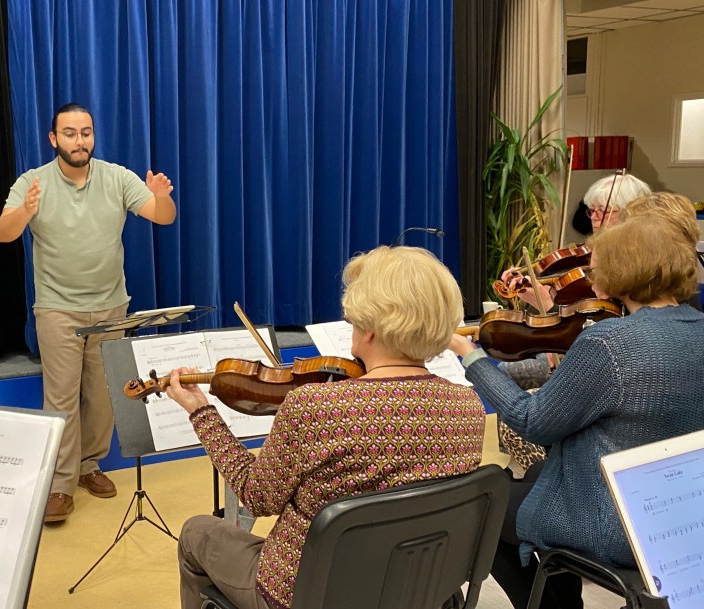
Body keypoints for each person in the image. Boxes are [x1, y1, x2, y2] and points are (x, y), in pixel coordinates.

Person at [165, 246, 487, 609]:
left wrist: (202, 413)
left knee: (197, 532)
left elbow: (257, 497)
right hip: (418, 586)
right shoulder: (468, 407)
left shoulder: (314, 406)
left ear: (370, 330)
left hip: (310, 592)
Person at [448, 217, 704, 609]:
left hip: (619, 524)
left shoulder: (609, 342)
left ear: (625, 270)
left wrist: (471, 357)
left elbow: (532, 421)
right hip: (686, 512)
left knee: (484, 500)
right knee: (534, 474)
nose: (590, 274)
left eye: (597, 266)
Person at [0, 103, 177, 523]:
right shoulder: (33, 182)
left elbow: (163, 218)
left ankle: (89, 466)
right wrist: (25, 211)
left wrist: (161, 197)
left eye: (86, 133)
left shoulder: (117, 177)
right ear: (53, 139)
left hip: (112, 306)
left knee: (102, 395)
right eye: (71, 133)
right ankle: (60, 485)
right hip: (57, 308)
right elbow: (3, 233)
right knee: (61, 397)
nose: (80, 141)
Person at [499, 172, 652, 314]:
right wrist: (534, 288)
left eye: (603, 210)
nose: (594, 217)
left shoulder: (639, 265)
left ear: (630, 213)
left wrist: (548, 306)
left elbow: (605, 323)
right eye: (592, 210)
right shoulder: (585, 255)